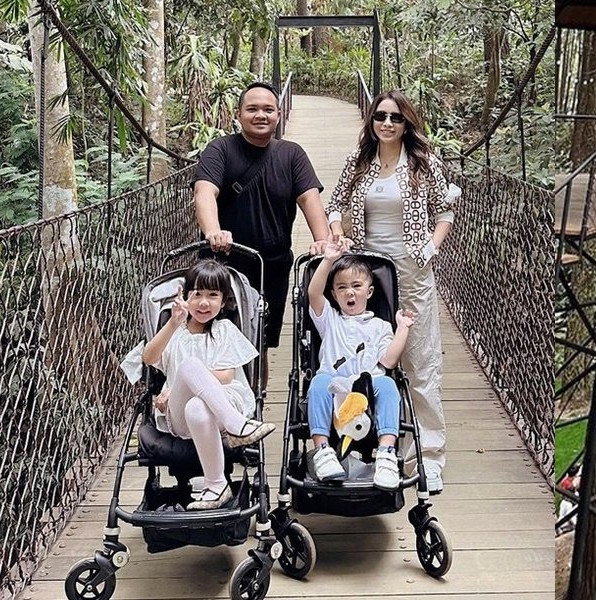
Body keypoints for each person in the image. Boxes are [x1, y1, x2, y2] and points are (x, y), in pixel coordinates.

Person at [326, 90, 459, 493]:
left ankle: (426, 457)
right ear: (371, 120)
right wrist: (337, 234)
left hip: (412, 271)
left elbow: (445, 210)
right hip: (367, 274)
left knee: (420, 363)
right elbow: (334, 205)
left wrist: (431, 248)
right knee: (373, 358)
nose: (387, 123)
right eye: (380, 116)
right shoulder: (359, 160)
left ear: (407, 124)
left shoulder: (423, 162)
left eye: (395, 118)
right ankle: (373, 444)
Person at [121, 260, 276, 510]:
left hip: (223, 403)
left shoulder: (225, 329)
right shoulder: (175, 332)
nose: (204, 303)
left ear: (224, 300)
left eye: (213, 295)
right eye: (197, 295)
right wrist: (173, 323)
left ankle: (217, 486)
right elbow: (149, 359)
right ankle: (237, 426)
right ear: (185, 296)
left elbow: (226, 376)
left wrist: (179, 385)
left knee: (197, 404)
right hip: (180, 418)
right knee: (190, 371)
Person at [192, 81, 331, 360]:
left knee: (258, 349)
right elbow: (204, 190)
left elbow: (309, 199)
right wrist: (213, 231)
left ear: (278, 115)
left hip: (271, 269)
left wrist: (323, 241)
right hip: (224, 264)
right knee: (211, 339)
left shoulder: (292, 155)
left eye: (268, 109)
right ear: (238, 114)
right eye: (252, 109)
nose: (261, 115)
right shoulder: (220, 150)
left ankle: (255, 401)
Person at [305, 243, 415, 490]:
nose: (349, 293)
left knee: (388, 383)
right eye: (342, 288)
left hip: (369, 387)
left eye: (356, 286)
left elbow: (388, 361)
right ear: (333, 294)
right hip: (336, 385)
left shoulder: (380, 326)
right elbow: (313, 294)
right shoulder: (330, 320)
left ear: (370, 291)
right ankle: (323, 451)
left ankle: (386, 453)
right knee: (319, 381)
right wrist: (328, 260)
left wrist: (403, 328)